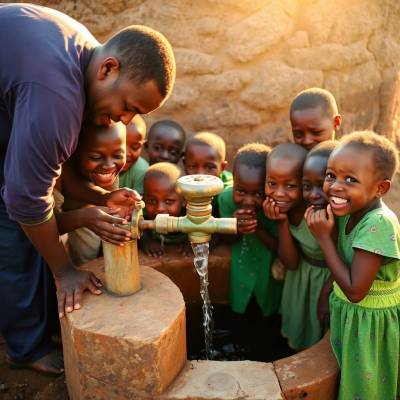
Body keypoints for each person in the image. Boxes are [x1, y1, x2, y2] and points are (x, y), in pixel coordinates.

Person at [0, 3, 175, 374]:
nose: (125, 120)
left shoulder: (84, 55)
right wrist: (65, 271)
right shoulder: (56, 97)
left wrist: (100, 198)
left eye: (135, 115)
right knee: (14, 234)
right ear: (109, 69)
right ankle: (24, 348)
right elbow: (27, 202)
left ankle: (36, 324)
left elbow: (53, 165)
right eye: (127, 106)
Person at [306, 131, 400, 400]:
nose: (335, 186)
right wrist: (327, 294)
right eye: (331, 175)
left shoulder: (378, 224)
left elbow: (356, 291)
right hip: (353, 315)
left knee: (366, 387)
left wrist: (323, 239)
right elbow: (344, 262)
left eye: (351, 180)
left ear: (380, 188)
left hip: (371, 322)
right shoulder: (349, 210)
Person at [218, 143, 282, 361]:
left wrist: (258, 227)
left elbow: (279, 247)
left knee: (268, 319)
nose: (248, 200)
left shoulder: (274, 206)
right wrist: (235, 227)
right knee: (239, 316)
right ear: (233, 182)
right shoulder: (225, 200)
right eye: (241, 191)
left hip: (268, 273)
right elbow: (227, 239)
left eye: (258, 194)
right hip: (241, 269)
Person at [264, 143, 325, 350]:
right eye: (272, 183)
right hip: (298, 279)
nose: (279, 194)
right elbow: (290, 263)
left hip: (323, 281)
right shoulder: (284, 211)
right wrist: (281, 222)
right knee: (295, 331)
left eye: (290, 186)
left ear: (306, 183)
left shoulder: (320, 213)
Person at [60, 121, 128, 265]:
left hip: (85, 212)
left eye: (118, 155)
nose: (109, 165)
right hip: (48, 218)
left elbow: (107, 218)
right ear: (75, 153)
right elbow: (45, 227)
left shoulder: (108, 173)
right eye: (96, 157)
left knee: (87, 254)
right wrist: (83, 218)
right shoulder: (54, 171)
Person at [140, 162, 191, 257]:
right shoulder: (142, 216)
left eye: (168, 201)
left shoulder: (191, 217)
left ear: (184, 200)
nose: (159, 208)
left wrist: (193, 242)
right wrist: (147, 241)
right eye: (151, 201)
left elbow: (214, 234)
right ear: (143, 199)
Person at [183, 132, 232, 217]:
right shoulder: (182, 187)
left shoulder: (228, 193)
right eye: (192, 167)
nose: (200, 175)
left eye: (209, 167)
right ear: (184, 164)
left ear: (222, 168)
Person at [118, 115, 149, 194]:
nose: (126, 153)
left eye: (135, 147)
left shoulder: (142, 171)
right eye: (120, 145)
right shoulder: (102, 165)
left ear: (143, 146)